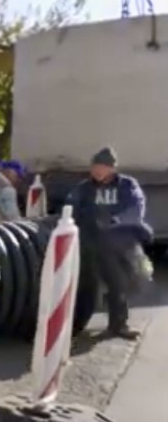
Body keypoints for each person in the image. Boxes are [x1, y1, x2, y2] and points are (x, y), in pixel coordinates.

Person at [66, 146, 153, 340]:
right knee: (105, 283)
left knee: (127, 281)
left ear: (112, 168)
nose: (97, 170)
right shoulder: (84, 188)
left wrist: (116, 220)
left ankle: (117, 320)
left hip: (122, 243)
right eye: (95, 166)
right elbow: (70, 208)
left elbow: (136, 209)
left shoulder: (127, 185)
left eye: (102, 166)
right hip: (95, 244)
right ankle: (104, 324)